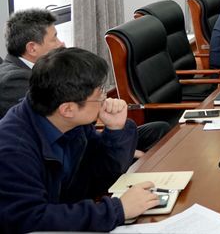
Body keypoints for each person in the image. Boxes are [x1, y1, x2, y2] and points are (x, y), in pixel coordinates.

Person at [0, 47, 160, 233]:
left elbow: (104, 174)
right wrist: (116, 210)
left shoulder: (68, 121)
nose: (105, 98)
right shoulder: (14, 150)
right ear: (67, 109)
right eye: (99, 95)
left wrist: (115, 130)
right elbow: (30, 218)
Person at [0, 9, 169, 154]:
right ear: (32, 48)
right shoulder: (14, 81)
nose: (62, 43)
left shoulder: (47, 70)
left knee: (158, 130)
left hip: (84, 137)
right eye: (54, 39)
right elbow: (63, 123)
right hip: (68, 152)